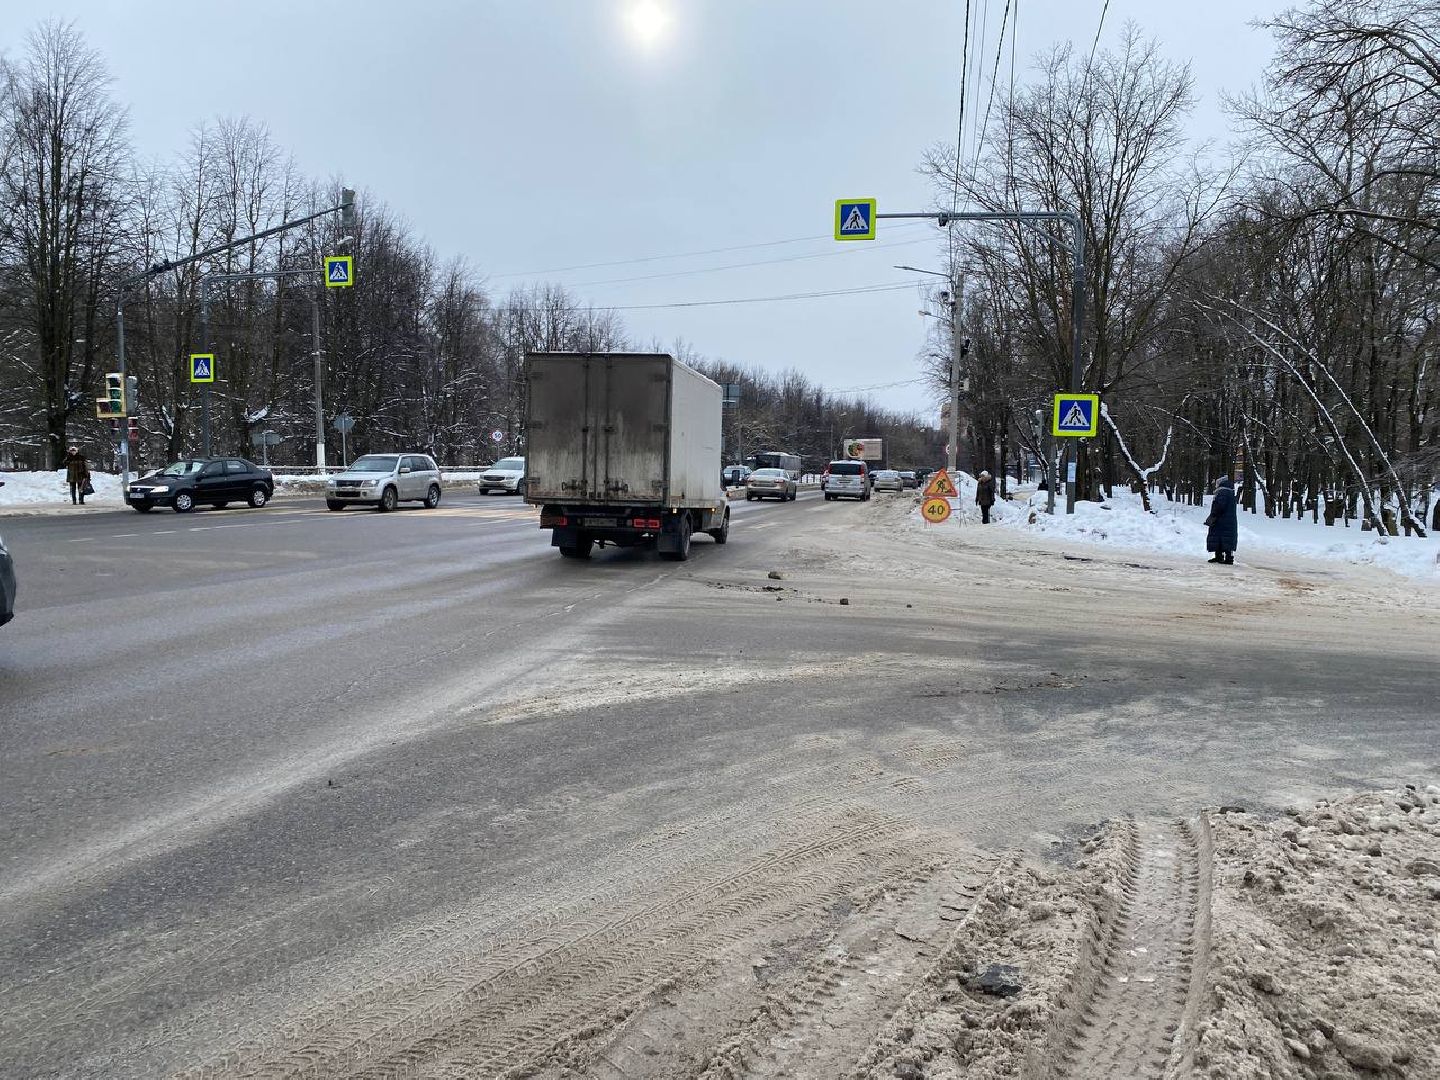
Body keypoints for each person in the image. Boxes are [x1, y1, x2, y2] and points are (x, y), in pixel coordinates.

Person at [1205, 475, 1238, 565]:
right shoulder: (1229, 491)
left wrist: (1213, 515)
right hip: (1227, 520)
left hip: (1221, 520)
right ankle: (1224, 557)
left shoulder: (1223, 492)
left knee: (1221, 537)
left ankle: (1225, 558)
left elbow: (1220, 506)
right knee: (1224, 538)